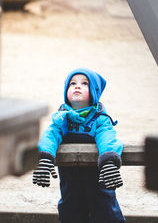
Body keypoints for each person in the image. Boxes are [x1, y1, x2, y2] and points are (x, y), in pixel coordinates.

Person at [33, 68, 126, 223]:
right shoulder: (62, 118)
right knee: (70, 209)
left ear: (95, 92)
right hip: (70, 178)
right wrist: (45, 156)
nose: (77, 86)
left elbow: (108, 137)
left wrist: (109, 160)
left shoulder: (99, 119)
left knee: (105, 209)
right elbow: (50, 135)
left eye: (84, 83)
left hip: (99, 176)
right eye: (72, 83)